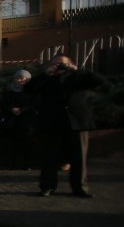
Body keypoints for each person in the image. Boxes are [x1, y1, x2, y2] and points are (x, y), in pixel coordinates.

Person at [23, 54, 107, 197]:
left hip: (77, 122)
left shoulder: (79, 78)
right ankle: (47, 186)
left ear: (71, 64)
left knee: (79, 158)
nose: (59, 67)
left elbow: (101, 80)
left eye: (62, 64)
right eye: (55, 64)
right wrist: (46, 73)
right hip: (52, 123)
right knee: (49, 158)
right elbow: (28, 88)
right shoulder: (46, 80)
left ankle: (80, 188)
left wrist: (77, 70)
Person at [0, 69, 38, 170]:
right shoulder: (9, 91)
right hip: (13, 121)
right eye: (18, 78)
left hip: (27, 121)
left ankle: (27, 164)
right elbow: (3, 104)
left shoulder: (32, 91)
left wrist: (23, 109)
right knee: (14, 144)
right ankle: (14, 163)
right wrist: (11, 109)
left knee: (28, 143)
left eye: (22, 78)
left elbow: (35, 104)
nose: (19, 80)